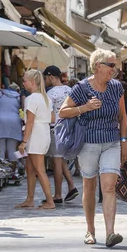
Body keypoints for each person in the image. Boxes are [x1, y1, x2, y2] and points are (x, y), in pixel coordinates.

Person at [59, 49, 127, 248]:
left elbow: (123, 117)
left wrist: (124, 141)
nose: (115, 70)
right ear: (98, 66)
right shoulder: (81, 88)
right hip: (88, 142)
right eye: (111, 65)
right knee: (89, 186)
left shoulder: (117, 87)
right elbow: (63, 112)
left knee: (108, 186)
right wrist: (85, 108)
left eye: (115, 66)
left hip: (111, 142)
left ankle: (110, 233)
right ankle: (90, 230)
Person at [14, 69, 55, 209]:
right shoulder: (46, 98)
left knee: (39, 169)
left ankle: (50, 201)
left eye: (25, 81)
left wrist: (23, 142)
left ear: (32, 82)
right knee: (30, 168)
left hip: (35, 135)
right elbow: (53, 118)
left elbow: (30, 122)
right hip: (43, 132)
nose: (23, 83)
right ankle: (30, 199)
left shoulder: (31, 99)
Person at [43, 65, 78, 204]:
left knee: (57, 162)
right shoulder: (70, 90)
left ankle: (57, 195)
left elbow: (49, 114)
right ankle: (71, 186)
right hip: (69, 128)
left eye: (46, 78)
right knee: (62, 160)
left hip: (56, 129)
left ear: (51, 77)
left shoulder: (50, 94)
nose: (45, 81)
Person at [0, 83, 23, 163]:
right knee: (12, 149)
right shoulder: (19, 96)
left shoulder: (0, 93)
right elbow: (22, 109)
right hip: (14, 122)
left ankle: (0, 170)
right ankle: (13, 172)